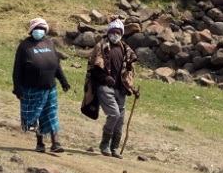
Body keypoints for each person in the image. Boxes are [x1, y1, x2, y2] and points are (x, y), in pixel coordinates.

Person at [12, 17, 70, 153]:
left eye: (42, 29)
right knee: (37, 117)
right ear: (31, 30)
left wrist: (63, 81)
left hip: (50, 87)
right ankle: (40, 143)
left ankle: (56, 143)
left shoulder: (49, 43)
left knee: (51, 114)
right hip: (31, 88)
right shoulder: (24, 46)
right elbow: (17, 70)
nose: (39, 31)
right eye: (37, 28)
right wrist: (17, 88)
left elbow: (56, 65)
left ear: (45, 30)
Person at [84, 18, 139, 158]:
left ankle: (114, 148)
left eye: (118, 32)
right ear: (108, 32)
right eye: (113, 32)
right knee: (114, 114)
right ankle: (104, 144)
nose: (115, 34)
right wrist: (104, 77)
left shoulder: (125, 49)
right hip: (105, 87)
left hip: (120, 89)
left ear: (121, 33)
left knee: (120, 120)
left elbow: (127, 72)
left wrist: (131, 88)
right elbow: (94, 68)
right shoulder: (101, 47)